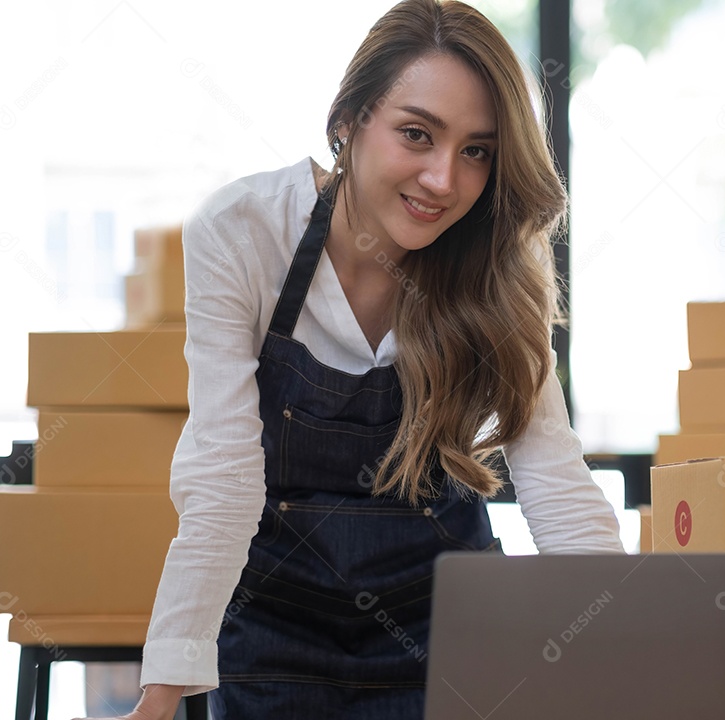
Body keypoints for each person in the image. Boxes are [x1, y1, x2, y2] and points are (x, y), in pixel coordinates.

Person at [77, 1, 622, 718]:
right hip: (274, 636)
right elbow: (222, 478)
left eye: (476, 151)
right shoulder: (244, 233)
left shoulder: (499, 269)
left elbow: (554, 482)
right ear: (349, 121)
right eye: (416, 135)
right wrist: (161, 694)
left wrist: (623, 659)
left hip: (449, 641)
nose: (442, 179)